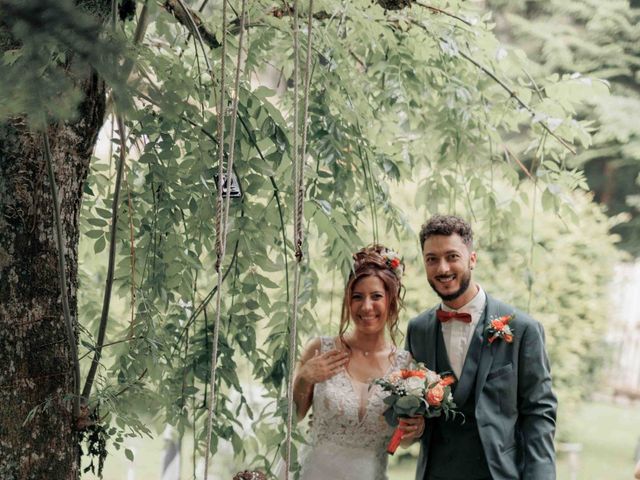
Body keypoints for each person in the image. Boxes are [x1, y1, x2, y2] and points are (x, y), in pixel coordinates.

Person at [406, 215, 557, 480]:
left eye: (452, 256)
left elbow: (538, 414)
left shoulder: (523, 329)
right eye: (432, 259)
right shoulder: (418, 330)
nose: (442, 268)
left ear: (472, 259)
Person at [292, 245, 424, 480]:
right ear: (347, 301)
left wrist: (415, 428)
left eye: (376, 296)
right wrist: (304, 377)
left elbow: (405, 442)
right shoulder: (320, 349)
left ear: (391, 301)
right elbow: (293, 416)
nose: (366, 307)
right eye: (357, 297)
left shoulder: (405, 366)